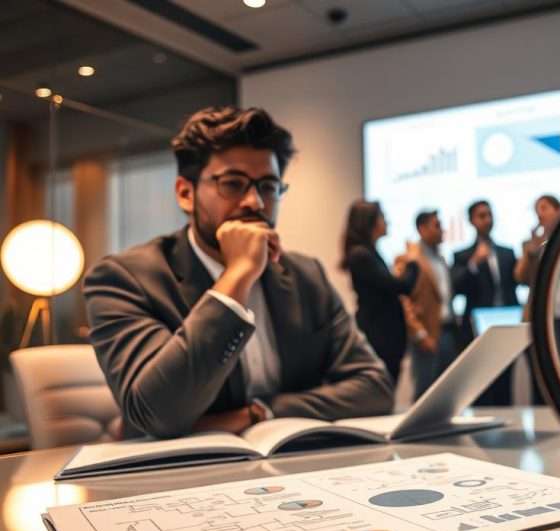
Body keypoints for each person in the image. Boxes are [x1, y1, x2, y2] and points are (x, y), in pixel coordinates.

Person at [84, 106, 393, 439]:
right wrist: (238, 275)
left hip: (291, 471)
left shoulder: (306, 275)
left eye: (268, 187)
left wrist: (264, 413)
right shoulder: (124, 279)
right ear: (185, 194)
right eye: (232, 184)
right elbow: (157, 413)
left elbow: (374, 388)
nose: (255, 203)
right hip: (178, 476)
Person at [513, 194, 560, 403]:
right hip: (543, 323)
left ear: (559, 211)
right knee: (542, 385)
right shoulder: (532, 246)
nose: (539, 214)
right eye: (537, 210)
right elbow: (521, 277)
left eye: (544, 208)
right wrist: (532, 252)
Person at [341, 201, 421, 384]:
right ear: (370, 222)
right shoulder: (361, 255)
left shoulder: (368, 253)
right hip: (380, 336)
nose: (387, 222)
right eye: (382, 217)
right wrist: (413, 261)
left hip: (385, 335)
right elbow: (402, 287)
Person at [452, 200, 519, 406]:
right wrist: (473, 263)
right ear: (472, 221)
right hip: (477, 327)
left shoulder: (507, 253)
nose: (487, 220)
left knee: (506, 382)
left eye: (489, 215)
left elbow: (515, 283)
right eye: (481, 216)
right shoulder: (462, 255)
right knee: (480, 384)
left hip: (506, 324)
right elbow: (456, 287)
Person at [401, 210, 457, 399]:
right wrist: (419, 333)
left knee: (447, 391)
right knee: (424, 391)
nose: (442, 230)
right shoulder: (410, 259)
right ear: (422, 229)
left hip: (447, 330)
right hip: (426, 334)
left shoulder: (441, 259)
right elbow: (404, 300)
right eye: (436, 225)